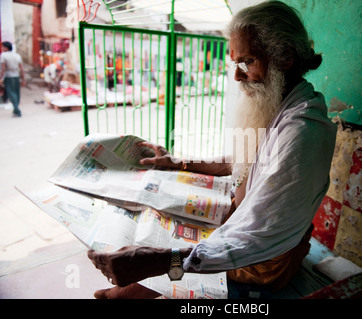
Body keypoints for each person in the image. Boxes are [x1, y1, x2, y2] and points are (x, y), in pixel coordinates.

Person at [88, 1, 337, 299]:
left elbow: (256, 240)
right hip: (237, 216)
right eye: (235, 63)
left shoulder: (302, 132)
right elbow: (242, 161)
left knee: (124, 292)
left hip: (264, 260)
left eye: (247, 62)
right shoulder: (284, 104)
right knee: (154, 206)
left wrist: (161, 260)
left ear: (284, 57)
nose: (237, 76)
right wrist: (177, 162)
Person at [0, 41, 25, 117]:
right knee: (17, 93)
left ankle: (17, 110)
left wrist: (0, 79)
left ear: (6, 47)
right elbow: (21, 68)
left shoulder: (3, 55)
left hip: (8, 76)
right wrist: (23, 79)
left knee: (11, 93)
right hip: (16, 76)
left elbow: (3, 69)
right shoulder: (17, 55)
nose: (2, 48)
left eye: (2, 47)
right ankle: (15, 109)